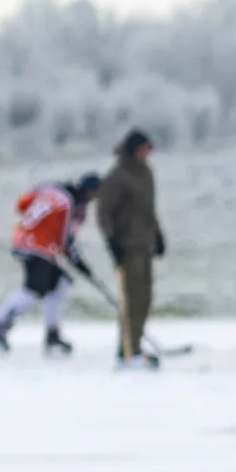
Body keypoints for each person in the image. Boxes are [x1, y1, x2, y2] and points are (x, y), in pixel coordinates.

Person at [0, 171, 99, 357]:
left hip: (25, 239)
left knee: (61, 282)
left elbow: (22, 205)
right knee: (35, 289)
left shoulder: (50, 189)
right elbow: (66, 241)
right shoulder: (71, 204)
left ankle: (52, 334)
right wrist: (80, 264)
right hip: (38, 247)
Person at [94, 129, 165, 370]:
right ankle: (126, 352)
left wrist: (158, 234)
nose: (148, 153)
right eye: (145, 149)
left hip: (145, 245)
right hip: (127, 247)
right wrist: (112, 242)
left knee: (145, 298)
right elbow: (103, 212)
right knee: (132, 300)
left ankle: (135, 345)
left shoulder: (146, 174)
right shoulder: (118, 176)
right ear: (135, 149)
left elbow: (148, 209)